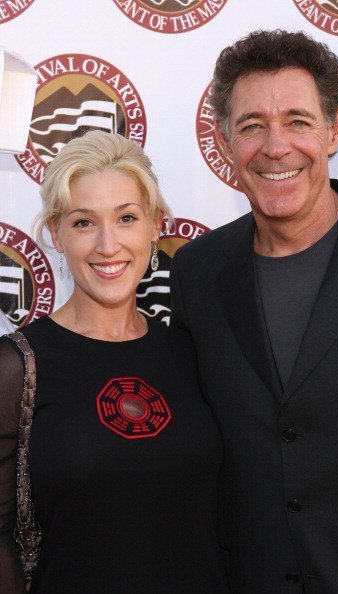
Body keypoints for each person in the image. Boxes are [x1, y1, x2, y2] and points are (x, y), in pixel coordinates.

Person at [170, 29, 338, 594]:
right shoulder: (197, 272)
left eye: (298, 121)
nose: (276, 146)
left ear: (335, 130)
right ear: (226, 140)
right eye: (252, 125)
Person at [0, 130, 229, 594]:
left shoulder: (190, 352)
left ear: (155, 226)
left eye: (126, 218)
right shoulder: (17, 367)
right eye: (84, 222)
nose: (108, 245)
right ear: (55, 234)